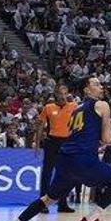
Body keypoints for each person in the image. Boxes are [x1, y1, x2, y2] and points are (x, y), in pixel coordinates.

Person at [0, 76, 111, 221]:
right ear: (86, 90)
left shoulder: (76, 109)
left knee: (48, 199)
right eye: (96, 84)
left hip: (65, 160)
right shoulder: (102, 105)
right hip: (84, 160)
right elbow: (107, 139)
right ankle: (90, 220)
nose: (101, 86)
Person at [33, 84, 77, 213]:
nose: (63, 96)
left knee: (66, 173)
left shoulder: (74, 106)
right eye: (60, 93)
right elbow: (40, 126)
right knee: (47, 173)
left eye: (65, 93)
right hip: (52, 142)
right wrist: (36, 143)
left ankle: (62, 204)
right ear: (56, 94)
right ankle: (43, 204)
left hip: (67, 142)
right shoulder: (48, 107)